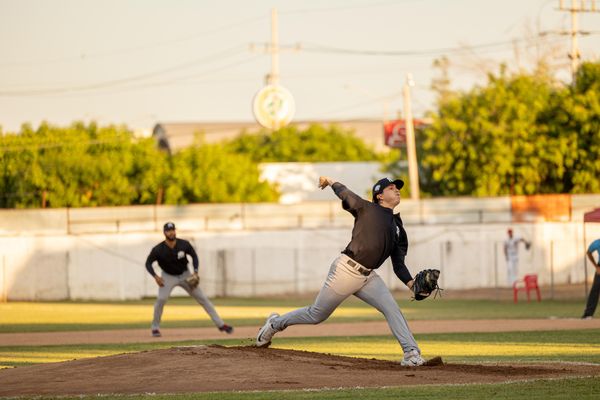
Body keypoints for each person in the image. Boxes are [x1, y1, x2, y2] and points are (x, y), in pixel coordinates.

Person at [256, 177, 426, 367]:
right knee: (316, 315)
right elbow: (346, 194)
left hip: (368, 277)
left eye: (398, 188)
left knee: (392, 309)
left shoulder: (398, 228)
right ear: (379, 196)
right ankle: (274, 324)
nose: (397, 190)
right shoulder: (367, 209)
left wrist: (413, 285)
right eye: (392, 188)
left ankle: (411, 353)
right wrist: (330, 182)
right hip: (346, 270)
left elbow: (399, 265)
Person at [145, 221, 233, 337]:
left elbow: (194, 256)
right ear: (164, 233)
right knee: (161, 300)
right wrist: (156, 277)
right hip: (168, 276)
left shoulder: (184, 244)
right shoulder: (158, 249)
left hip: (185, 274)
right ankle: (155, 328)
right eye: (168, 230)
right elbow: (148, 263)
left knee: (203, 298)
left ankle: (221, 325)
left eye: (173, 230)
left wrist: (195, 272)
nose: (171, 232)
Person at [582, 238, 600, 319]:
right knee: (595, 289)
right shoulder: (597, 243)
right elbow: (589, 252)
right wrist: (596, 267)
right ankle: (588, 314)